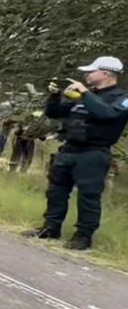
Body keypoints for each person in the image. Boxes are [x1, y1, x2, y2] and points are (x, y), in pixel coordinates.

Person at [23, 56, 128, 250]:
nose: (85, 75)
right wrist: (55, 96)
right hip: (69, 149)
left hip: (93, 153)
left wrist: (85, 93)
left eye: (90, 71)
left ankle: (83, 237)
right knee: (56, 191)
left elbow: (107, 114)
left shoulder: (122, 99)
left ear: (105, 73)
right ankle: (50, 228)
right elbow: (55, 113)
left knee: (88, 197)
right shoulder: (84, 96)